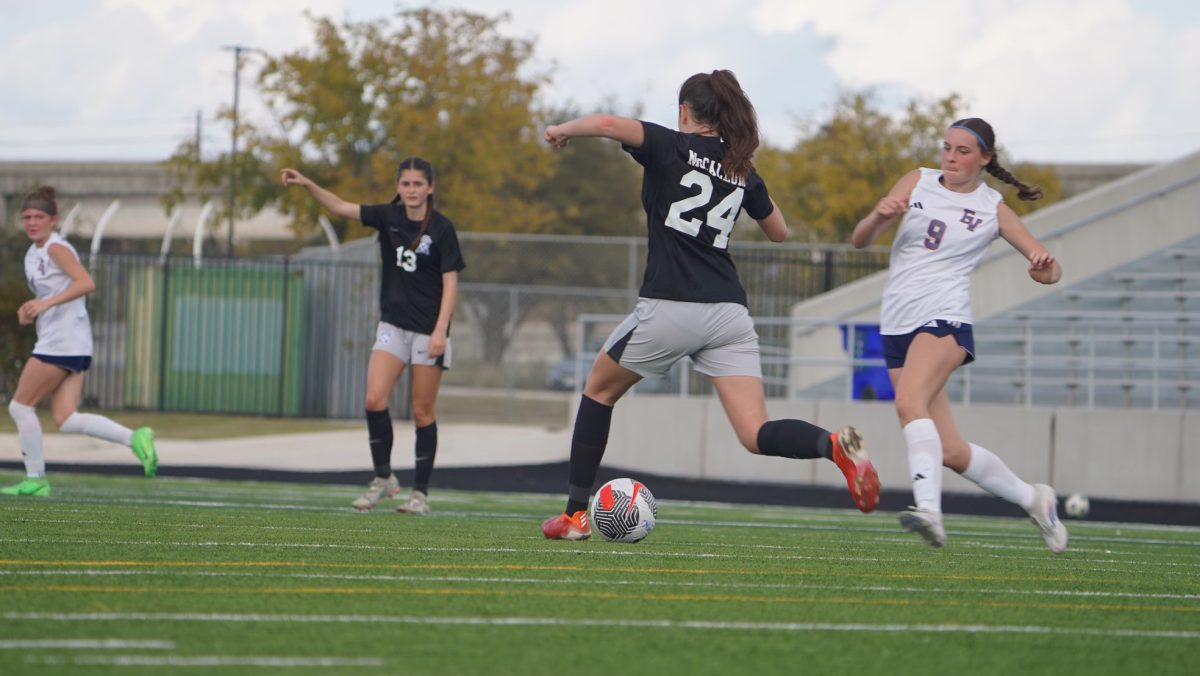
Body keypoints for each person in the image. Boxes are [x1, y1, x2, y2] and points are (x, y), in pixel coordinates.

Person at [540, 70, 880, 540]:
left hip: (671, 306)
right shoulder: (742, 168)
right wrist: (744, 183)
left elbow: (608, 123)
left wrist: (562, 130)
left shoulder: (669, 145)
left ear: (684, 111)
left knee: (599, 391)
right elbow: (779, 231)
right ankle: (834, 445)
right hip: (728, 315)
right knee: (755, 432)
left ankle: (575, 517)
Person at [851, 117, 1068, 553]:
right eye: (946, 148)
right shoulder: (917, 180)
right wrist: (878, 216)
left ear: (985, 159)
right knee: (949, 451)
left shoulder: (993, 207)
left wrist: (1043, 267)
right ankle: (1034, 499)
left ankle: (929, 510)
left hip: (945, 319)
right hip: (896, 322)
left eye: (963, 151)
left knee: (909, 402)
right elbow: (860, 240)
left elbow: (1050, 269)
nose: (950, 157)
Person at [281, 157, 465, 515]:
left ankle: (420, 494)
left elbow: (450, 280)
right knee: (373, 399)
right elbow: (338, 206)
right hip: (392, 326)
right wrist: (307, 183)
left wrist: (441, 330)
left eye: (417, 184)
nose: (411, 190)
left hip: (428, 331)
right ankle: (383, 479)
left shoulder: (442, 228)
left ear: (430, 188)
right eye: (405, 184)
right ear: (398, 187)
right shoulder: (387, 217)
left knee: (421, 411)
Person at [3, 186, 157, 497]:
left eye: (39, 217)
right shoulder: (33, 254)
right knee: (66, 418)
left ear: (54, 220)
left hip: (62, 341)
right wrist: (33, 306)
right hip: (69, 342)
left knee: (20, 406)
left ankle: (36, 479)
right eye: (27, 217)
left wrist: (45, 305)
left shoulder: (57, 248)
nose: (32, 222)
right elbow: (51, 292)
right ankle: (135, 437)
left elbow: (86, 283)